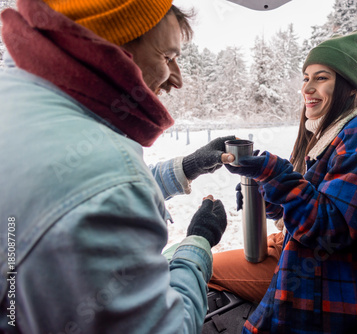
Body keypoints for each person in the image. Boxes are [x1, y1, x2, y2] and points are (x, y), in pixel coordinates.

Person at [0, 1, 231, 333]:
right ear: (114, 47)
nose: (176, 80)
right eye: (167, 57)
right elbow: (103, 189)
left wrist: (189, 165)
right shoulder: (110, 179)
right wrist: (197, 244)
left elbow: (73, 188)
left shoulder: (20, 99)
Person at [216, 29, 357, 333]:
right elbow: (302, 210)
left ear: (348, 86)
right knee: (213, 266)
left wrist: (274, 174)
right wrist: (264, 194)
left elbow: (332, 230)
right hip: (293, 246)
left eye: (321, 77)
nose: (308, 88)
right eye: (306, 77)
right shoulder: (322, 134)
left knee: (208, 270)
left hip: (331, 278)